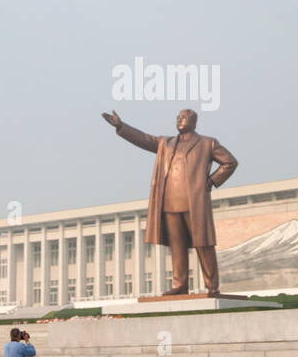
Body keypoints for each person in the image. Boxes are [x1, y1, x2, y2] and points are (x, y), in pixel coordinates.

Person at [101, 108, 238, 296]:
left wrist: (211, 181)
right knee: (177, 245)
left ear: (193, 121)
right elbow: (144, 139)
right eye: (178, 117)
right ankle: (180, 284)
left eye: (184, 117)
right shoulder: (166, 143)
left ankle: (212, 286)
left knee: (203, 244)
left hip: (194, 201)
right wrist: (122, 127)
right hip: (169, 201)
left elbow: (230, 162)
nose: (179, 119)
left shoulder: (207, 143)